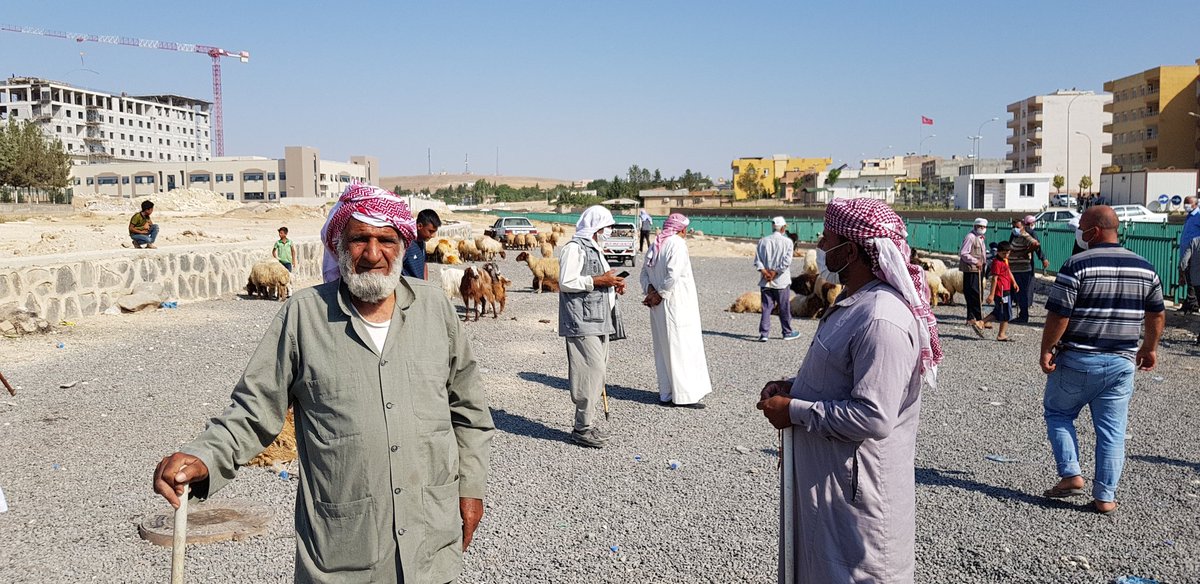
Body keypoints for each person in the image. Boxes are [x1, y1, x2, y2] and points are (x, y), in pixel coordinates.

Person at [152, 182, 494, 582]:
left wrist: (471, 488)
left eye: (385, 239)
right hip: (344, 550)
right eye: (359, 239)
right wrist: (205, 457)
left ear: (402, 245)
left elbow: (469, 411)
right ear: (338, 245)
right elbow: (254, 409)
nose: (372, 254)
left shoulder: (435, 309)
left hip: (430, 543)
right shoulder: (303, 316)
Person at [757, 197, 941, 583]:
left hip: (858, 492)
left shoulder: (881, 318)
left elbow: (874, 416)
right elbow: (841, 379)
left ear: (851, 250)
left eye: (827, 238)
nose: (820, 248)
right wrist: (792, 388)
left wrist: (793, 411)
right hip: (831, 483)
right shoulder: (854, 303)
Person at [1039, 205, 1163, 515]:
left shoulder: (1076, 265)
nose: (1079, 232)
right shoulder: (1145, 267)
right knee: (1112, 432)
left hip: (1078, 359)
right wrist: (1149, 348)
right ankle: (1105, 496)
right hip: (1121, 364)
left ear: (1094, 231)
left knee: (1058, 412)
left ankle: (1071, 474)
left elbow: (1059, 315)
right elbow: (1157, 313)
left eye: (1081, 226)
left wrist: (1047, 348)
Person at [558, 205, 626, 448]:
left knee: (598, 372)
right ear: (596, 227)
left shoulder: (596, 249)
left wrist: (612, 285)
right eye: (606, 227)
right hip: (581, 320)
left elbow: (598, 280)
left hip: (598, 319)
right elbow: (566, 282)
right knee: (591, 371)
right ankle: (581, 429)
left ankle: (586, 424)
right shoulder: (574, 248)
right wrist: (600, 281)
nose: (609, 231)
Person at [640, 213, 712, 409]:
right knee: (681, 347)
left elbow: (644, 273)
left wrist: (651, 291)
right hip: (677, 304)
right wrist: (660, 294)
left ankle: (667, 392)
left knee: (664, 347)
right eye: (684, 229)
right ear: (680, 229)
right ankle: (684, 396)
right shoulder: (677, 244)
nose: (686, 232)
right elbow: (673, 274)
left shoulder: (657, 244)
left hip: (658, 305)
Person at [755, 217, 799, 342]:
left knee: (766, 307)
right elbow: (786, 262)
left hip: (765, 281)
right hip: (781, 281)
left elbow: (758, 261)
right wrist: (775, 272)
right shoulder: (788, 242)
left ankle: (764, 334)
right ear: (783, 228)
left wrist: (765, 272)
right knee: (784, 307)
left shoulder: (763, 241)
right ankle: (787, 332)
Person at [1009, 216, 1049, 323]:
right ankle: (1018, 312)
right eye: (1014, 226)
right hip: (1014, 267)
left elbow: (1036, 245)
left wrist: (1027, 253)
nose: (1015, 228)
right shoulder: (1014, 234)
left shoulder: (1028, 233)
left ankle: (1023, 315)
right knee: (1018, 291)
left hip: (1022, 267)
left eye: (1017, 226)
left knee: (1023, 291)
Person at [980, 241, 1017, 341]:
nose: (1006, 255)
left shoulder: (1004, 261)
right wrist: (992, 294)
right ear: (998, 252)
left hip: (1006, 289)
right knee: (1005, 313)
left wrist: (1014, 282)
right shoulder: (997, 263)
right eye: (1004, 253)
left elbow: (1008, 271)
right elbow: (994, 278)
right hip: (1001, 291)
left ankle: (982, 322)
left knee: (998, 311)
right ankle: (1001, 334)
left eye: (1008, 253)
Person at [959, 218, 988, 335]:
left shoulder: (980, 238)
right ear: (975, 226)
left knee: (974, 292)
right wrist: (976, 261)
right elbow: (964, 253)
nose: (981, 228)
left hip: (979, 269)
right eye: (979, 226)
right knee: (975, 293)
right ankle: (979, 318)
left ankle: (972, 317)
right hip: (972, 269)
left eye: (983, 227)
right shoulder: (970, 237)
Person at [402, 209, 441, 279]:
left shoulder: (422, 243)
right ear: (419, 226)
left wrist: (425, 283)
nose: (433, 235)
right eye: (430, 231)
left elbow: (424, 264)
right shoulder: (407, 244)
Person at [1177, 196, 1200, 313]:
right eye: (1185, 202)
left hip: (1194, 253)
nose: (1186, 205)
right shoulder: (1190, 216)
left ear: (1195, 204)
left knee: (1192, 279)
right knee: (1188, 278)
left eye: (1189, 203)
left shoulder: (1198, 215)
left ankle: (1192, 304)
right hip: (1187, 251)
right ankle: (1191, 303)